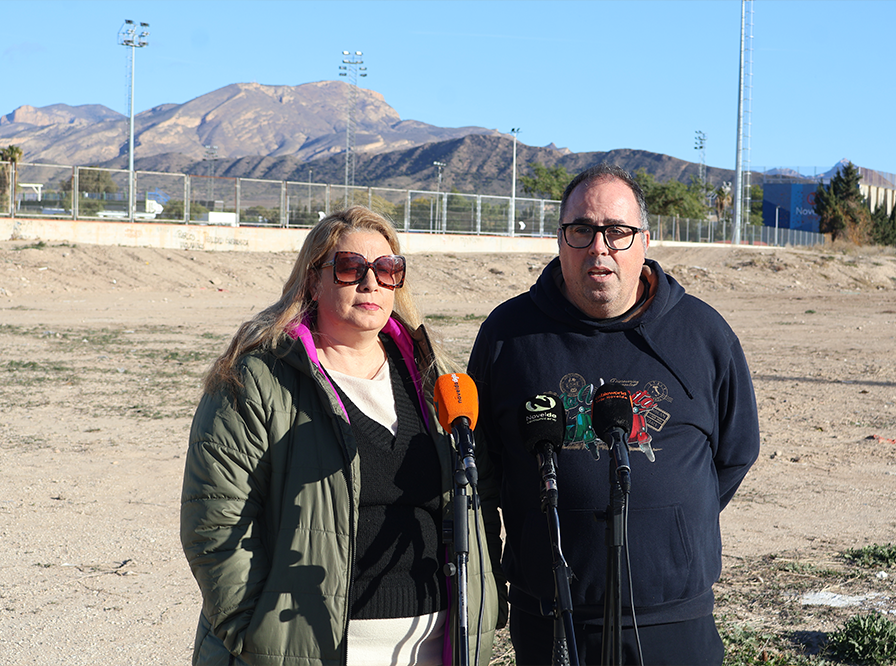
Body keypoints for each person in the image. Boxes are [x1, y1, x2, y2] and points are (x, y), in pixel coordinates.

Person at [181, 206, 499, 666]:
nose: (371, 282)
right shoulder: (256, 380)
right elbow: (215, 520)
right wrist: (256, 635)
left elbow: (478, 498)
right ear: (314, 280)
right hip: (310, 650)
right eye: (351, 268)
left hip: (438, 647)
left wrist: (486, 600)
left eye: (388, 269)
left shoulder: (435, 377)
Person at [469, 164, 760, 666]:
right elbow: (485, 465)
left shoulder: (702, 333)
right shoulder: (508, 335)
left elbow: (735, 453)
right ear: (559, 238)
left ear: (645, 240)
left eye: (617, 231)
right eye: (581, 230)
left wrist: (670, 527)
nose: (599, 248)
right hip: (551, 618)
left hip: (672, 620)